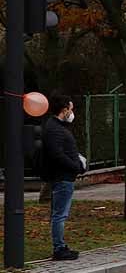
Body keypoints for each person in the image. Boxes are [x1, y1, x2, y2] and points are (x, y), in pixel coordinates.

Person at [42, 94, 84, 261]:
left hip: (64, 176)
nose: (72, 113)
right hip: (62, 177)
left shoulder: (57, 127)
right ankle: (59, 248)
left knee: (59, 213)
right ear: (64, 109)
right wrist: (75, 166)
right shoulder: (54, 128)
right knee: (60, 214)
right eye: (71, 109)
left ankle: (60, 245)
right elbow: (57, 154)